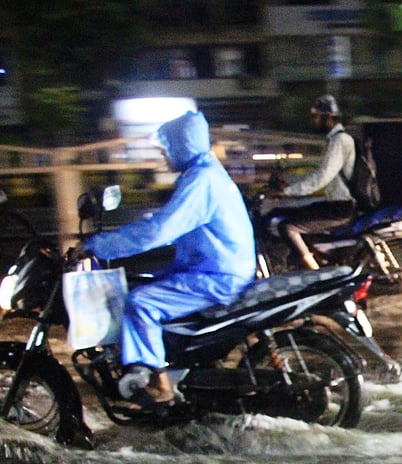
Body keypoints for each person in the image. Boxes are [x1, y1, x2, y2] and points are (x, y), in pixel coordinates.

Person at [85, 110, 256, 408]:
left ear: (182, 146)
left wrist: (100, 246)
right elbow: (167, 224)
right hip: (214, 267)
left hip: (217, 276)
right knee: (146, 282)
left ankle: (159, 384)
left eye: (166, 149)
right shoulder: (206, 173)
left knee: (141, 302)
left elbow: (158, 231)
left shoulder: (201, 181)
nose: (164, 156)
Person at [269, 94, 357, 270]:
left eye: (316, 116)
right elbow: (315, 173)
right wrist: (287, 184)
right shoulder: (334, 140)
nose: (314, 121)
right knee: (280, 213)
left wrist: (288, 192)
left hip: (341, 208)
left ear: (328, 117)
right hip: (334, 204)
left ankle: (315, 274)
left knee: (288, 227)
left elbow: (322, 176)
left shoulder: (340, 141)